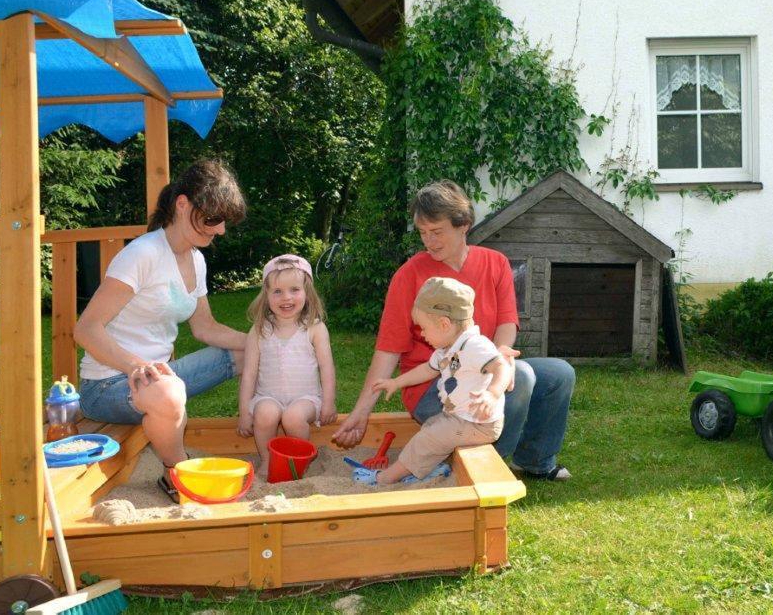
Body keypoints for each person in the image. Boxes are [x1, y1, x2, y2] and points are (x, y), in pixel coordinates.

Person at [333, 180, 575, 481]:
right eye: (423, 233)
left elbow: (506, 322)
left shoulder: (495, 263)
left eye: (437, 232)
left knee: (558, 374)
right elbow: (388, 350)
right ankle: (481, 472)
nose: (429, 241)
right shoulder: (409, 275)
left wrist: (502, 356)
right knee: (523, 376)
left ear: (464, 225)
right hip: (432, 388)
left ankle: (535, 461)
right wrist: (361, 412)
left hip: (482, 368)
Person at [75, 158, 248, 485]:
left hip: (160, 378)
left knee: (248, 352)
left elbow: (205, 328)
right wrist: (135, 366)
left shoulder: (196, 260)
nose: (221, 230)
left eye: (224, 221)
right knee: (168, 394)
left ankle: (263, 426)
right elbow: (85, 329)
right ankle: (177, 472)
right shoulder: (143, 254)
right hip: (108, 386)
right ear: (183, 205)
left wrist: (262, 341)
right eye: (213, 219)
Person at [352, 277, 508, 486]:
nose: (422, 334)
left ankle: (384, 478)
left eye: (424, 328)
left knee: (428, 440)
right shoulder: (447, 349)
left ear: (444, 324)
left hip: (478, 423)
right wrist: (397, 382)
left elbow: (501, 367)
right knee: (431, 427)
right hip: (459, 417)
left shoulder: (474, 345)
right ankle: (429, 469)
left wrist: (492, 394)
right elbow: (426, 370)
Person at [237, 255, 337, 478]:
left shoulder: (314, 328)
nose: (286, 298)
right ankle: (267, 459)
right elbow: (249, 374)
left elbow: (327, 369)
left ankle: (298, 459)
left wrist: (328, 403)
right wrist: (245, 412)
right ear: (266, 295)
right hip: (268, 396)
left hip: (306, 398)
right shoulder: (259, 330)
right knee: (264, 414)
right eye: (277, 291)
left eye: (294, 290)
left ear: (307, 293)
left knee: (292, 417)